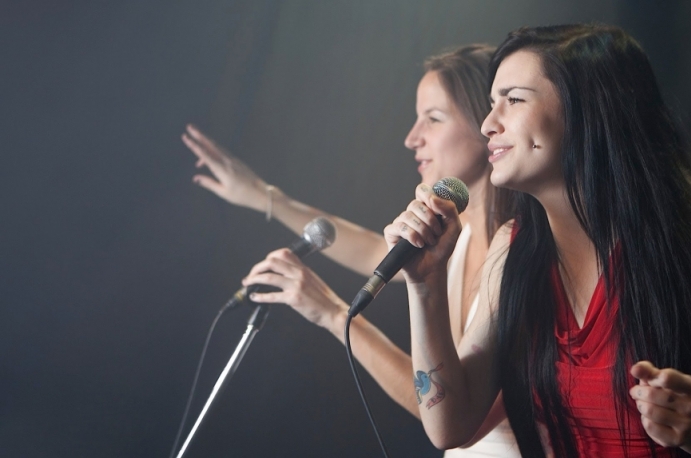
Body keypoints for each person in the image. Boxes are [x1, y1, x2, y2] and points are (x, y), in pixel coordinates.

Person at [384, 24, 691, 457]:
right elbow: (448, 427)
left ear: (587, 111)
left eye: (514, 99)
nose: (489, 124)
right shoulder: (513, 252)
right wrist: (425, 285)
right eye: (492, 104)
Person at [185, 45, 520, 456]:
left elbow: (445, 411)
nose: (412, 138)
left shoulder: (519, 251)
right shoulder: (461, 239)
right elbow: (369, 248)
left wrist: (332, 313)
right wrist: (262, 196)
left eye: (432, 119)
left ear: (485, 123)